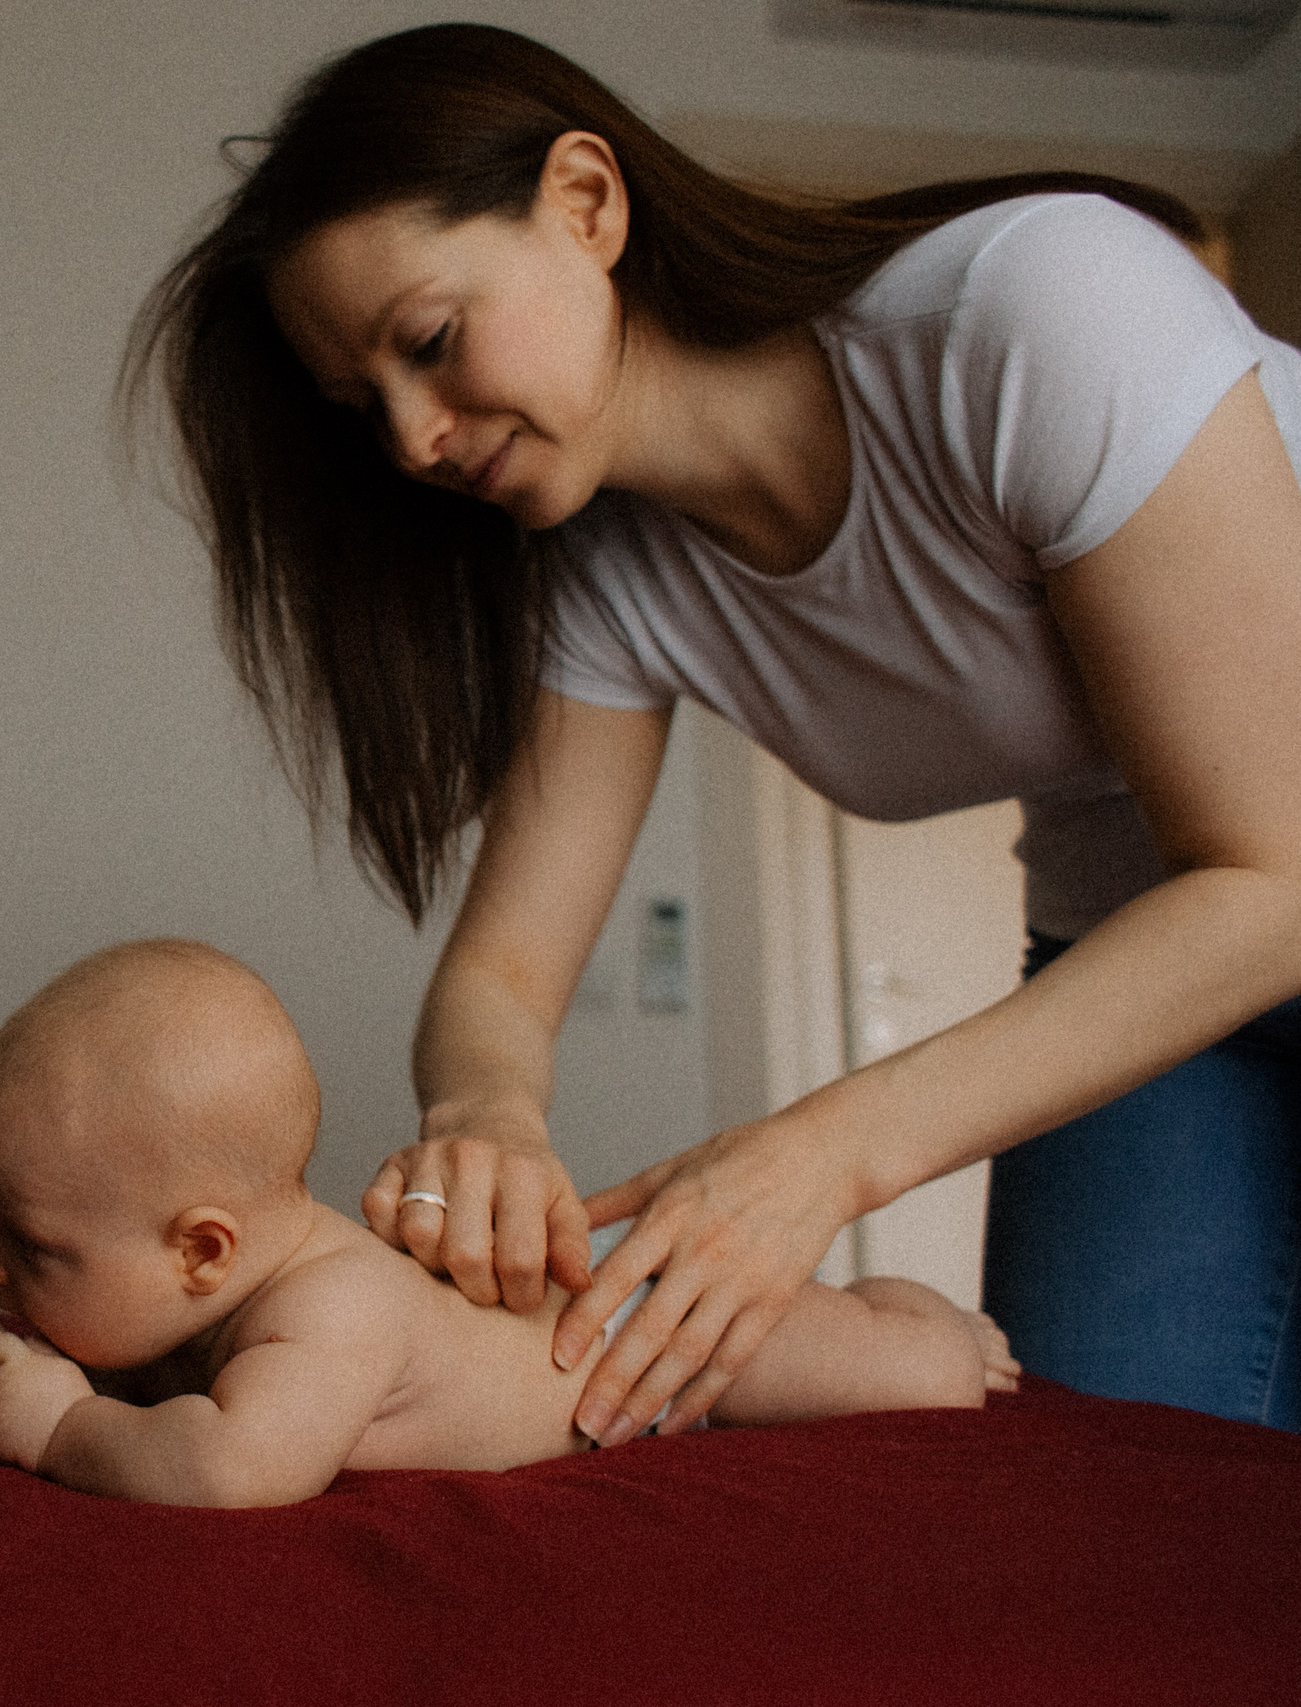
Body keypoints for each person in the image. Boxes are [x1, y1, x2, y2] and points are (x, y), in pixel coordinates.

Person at [124, 23, 1301, 1444]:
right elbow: (499, 968)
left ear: (587, 201)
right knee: (1107, 1502)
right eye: (364, 404)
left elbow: (1268, 877)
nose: (415, 437)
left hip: (1255, 894)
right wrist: (484, 1109)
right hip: (1149, 951)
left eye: (429, 343)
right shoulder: (606, 576)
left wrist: (818, 1154)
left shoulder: (1040, 305)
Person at [0, 940, 1017, 1506]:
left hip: (647, 1338)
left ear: (202, 1250)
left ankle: (930, 1316)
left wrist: (61, 1427)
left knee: (914, 1378)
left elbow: (230, 1466)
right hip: (594, 1334)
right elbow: (163, 1385)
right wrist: (39, 1372)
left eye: (31, 1247)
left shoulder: (330, 1307)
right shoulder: (210, 1303)